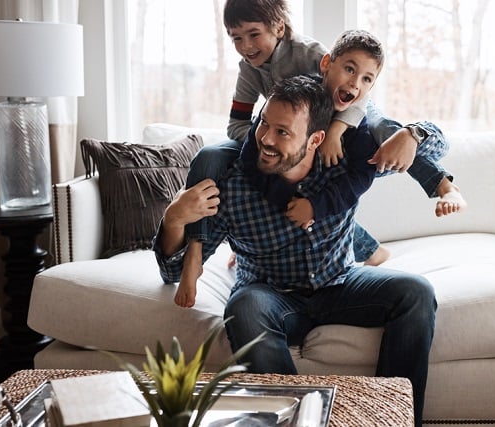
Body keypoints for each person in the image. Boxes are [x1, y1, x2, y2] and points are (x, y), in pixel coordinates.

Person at [153, 75, 437, 426]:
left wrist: (412, 135)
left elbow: (435, 151)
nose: (265, 140)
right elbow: (172, 273)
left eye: (283, 132)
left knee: (416, 292)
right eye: (263, 126)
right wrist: (173, 220)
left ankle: (390, 419)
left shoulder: (343, 165)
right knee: (244, 305)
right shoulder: (233, 185)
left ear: (316, 138)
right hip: (271, 296)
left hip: (340, 282)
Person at [173, 0, 466, 307]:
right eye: (236, 38)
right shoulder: (249, 71)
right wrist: (270, 141)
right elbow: (237, 125)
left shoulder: (311, 56)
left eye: (253, 34)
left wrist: (341, 130)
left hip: (349, 115)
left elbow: (352, 93)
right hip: (293, 140)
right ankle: (197, 244)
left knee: (387, 132)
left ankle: (443, 185)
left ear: (279, 28)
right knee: (209, 155)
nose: (246, 45)